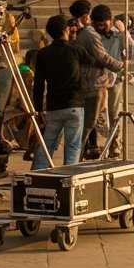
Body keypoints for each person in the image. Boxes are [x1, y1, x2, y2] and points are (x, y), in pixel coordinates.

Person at [31, 15, 91, 170]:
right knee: (73, 147)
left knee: (47, 145)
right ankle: (69, 176)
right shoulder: (76, 50)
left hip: (54, 107)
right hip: (75, 104)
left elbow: (38, 84)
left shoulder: (43, 54)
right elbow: (92, 61)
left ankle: (39, 174)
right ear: (67, 30)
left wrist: (38, 108)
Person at [75, 5, 125, 161]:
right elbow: (103, 57)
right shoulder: (91, 35)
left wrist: (124, 33)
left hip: (106, 81)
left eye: (104, 25)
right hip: (95, 84)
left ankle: (111, 149)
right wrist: (120, 66)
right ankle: (79, 156)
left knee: (109, 117)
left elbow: (128, 51)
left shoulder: (115, 35)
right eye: (99, 25)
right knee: (92, 123)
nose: (102, 28)